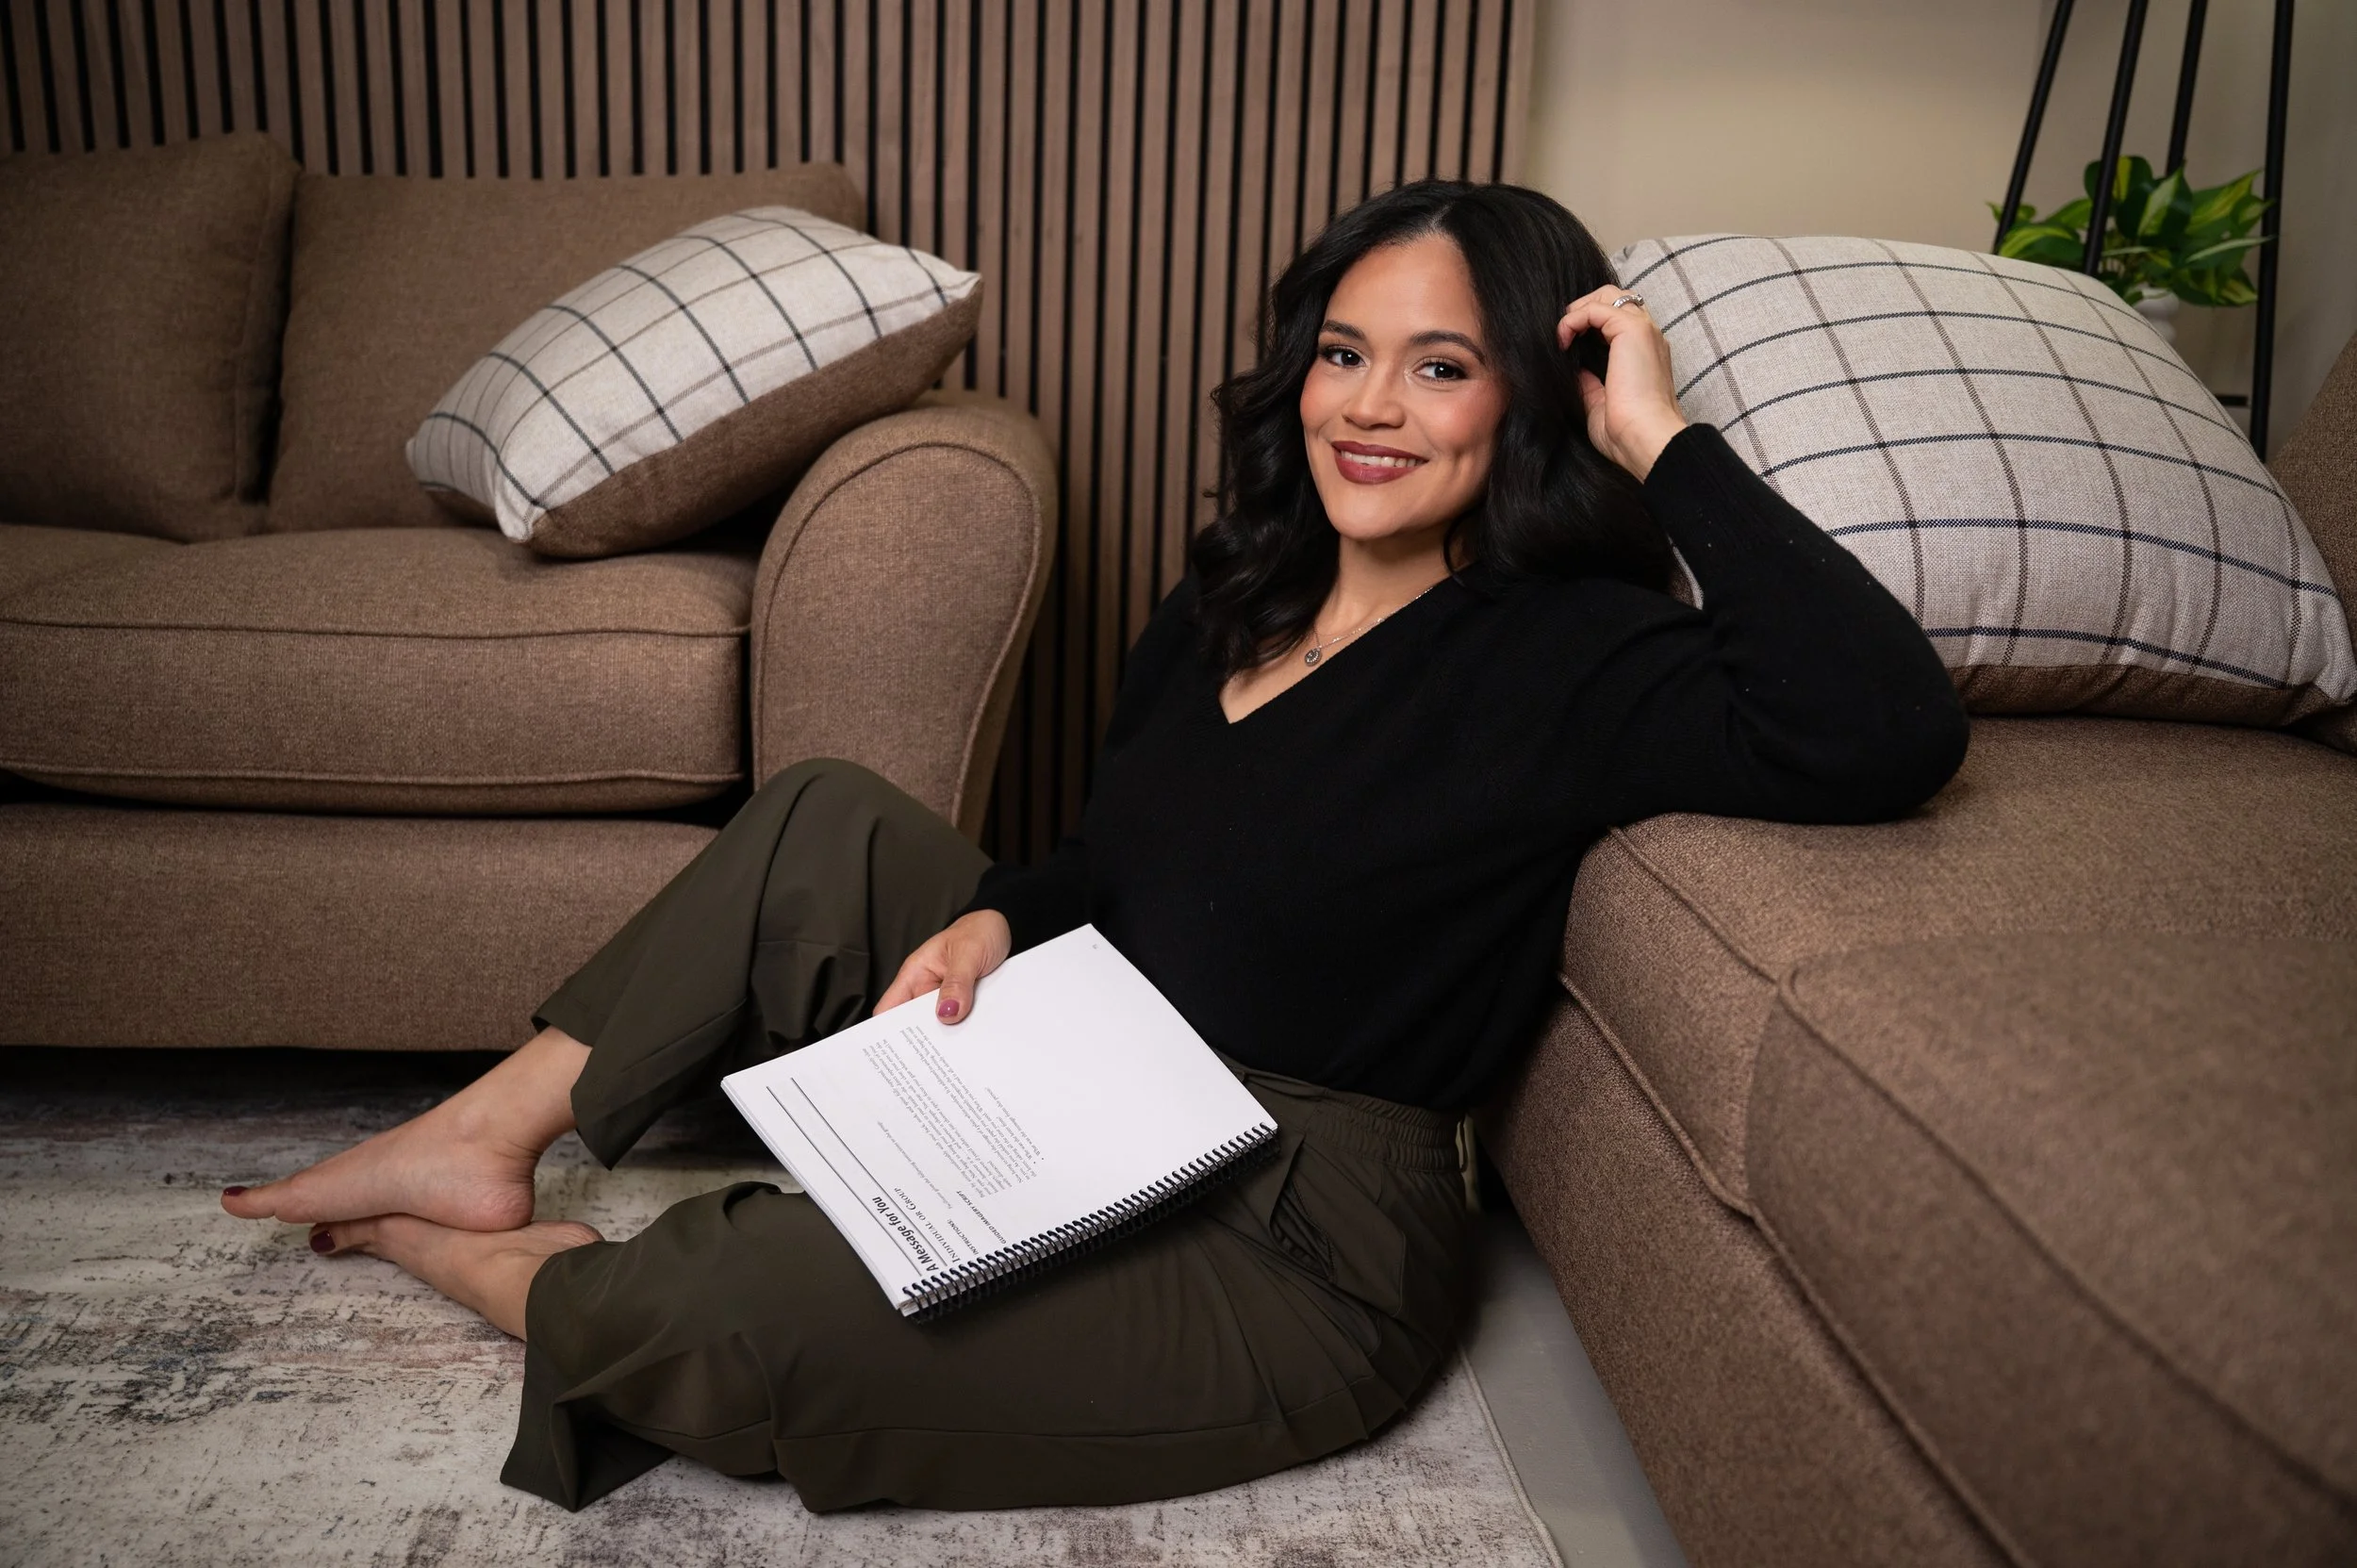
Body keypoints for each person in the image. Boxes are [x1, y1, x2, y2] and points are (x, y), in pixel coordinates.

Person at [220, 180, 1969, 1512]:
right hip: (1098, 1056)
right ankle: (482, 1141)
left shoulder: (1573, 654)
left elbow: (1883, 723)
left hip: (1293, 1242)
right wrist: (996, 920)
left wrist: (1656, 435)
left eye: (1441, 368)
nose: (1369, 405)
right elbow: (1109, 862)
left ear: (1531, 398)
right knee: (826, 817)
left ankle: (497, 1267)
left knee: (742, 1305)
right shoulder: (1237, 594)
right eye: (1343, 353)